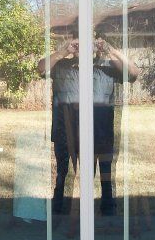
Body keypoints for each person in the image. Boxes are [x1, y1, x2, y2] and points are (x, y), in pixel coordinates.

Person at [38, 31, 139, 218]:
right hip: (65, 133)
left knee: (106, 176)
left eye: (89, 43)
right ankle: (61, 214)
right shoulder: (61, 66)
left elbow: (133, 73)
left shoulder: (108, 67)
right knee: (63, 174)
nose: (84, 47)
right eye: (80, 43)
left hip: (100, 133)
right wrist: (62, 52)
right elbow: (41, 68)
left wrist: (111, 51)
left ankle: (107, 215)